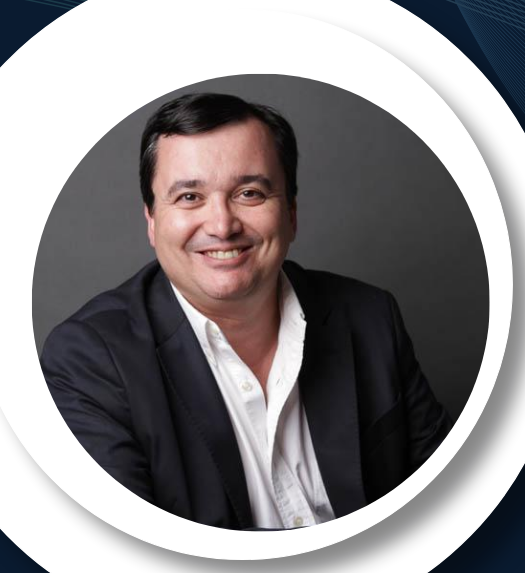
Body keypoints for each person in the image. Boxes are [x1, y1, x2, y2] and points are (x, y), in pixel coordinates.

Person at [41, 92, 452, 530]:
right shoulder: (89, 363)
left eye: (249, 193)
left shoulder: (369, 317)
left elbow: (450, 496)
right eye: (189, 197)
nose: (222, 226)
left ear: (291, 213)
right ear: (152, 221)